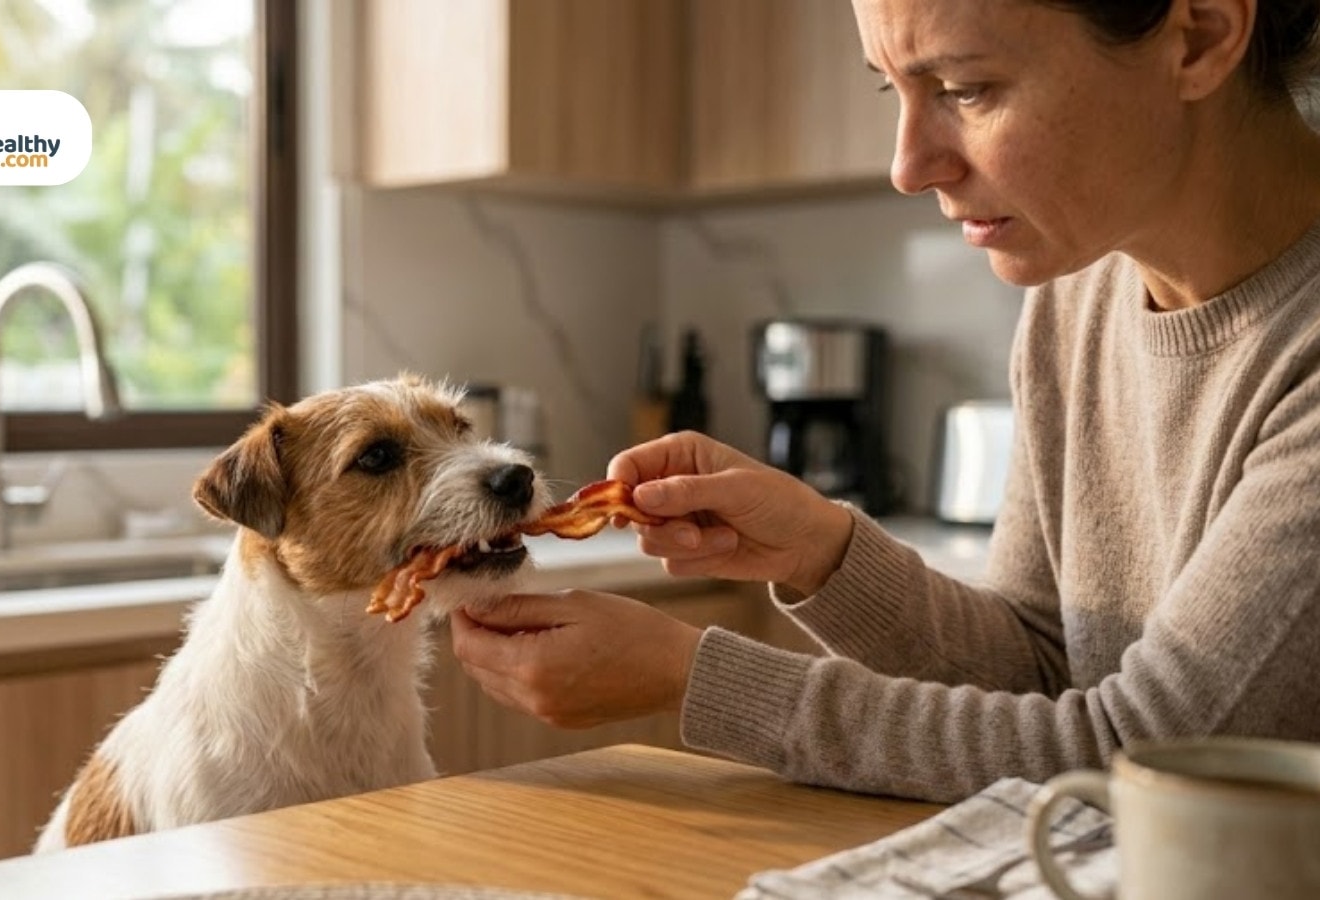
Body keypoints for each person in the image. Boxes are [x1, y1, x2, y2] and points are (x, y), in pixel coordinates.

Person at [450, 0, 1320, 803]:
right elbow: (1041, 665)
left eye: (965, 89)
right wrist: (819, 550)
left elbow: (1143, 760)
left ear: (1201, 33)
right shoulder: (1076, 296)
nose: (907, 165)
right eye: (894, 90)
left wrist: (693, 681)